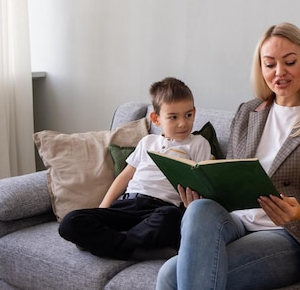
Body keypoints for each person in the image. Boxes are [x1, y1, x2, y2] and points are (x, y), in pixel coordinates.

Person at [156, 22, 300, 290]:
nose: (279, 72)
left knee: (170, 277)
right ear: (260, 68)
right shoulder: (248, 112)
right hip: (237, 220)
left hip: (288, 234)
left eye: (290, 62)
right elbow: (230, 179)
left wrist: (297, 211)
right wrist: (204, 193)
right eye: (270, 64)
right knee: (200, 209)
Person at [58, 77, 212, 260]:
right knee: (70, 222)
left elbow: (201, 180)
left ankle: (109, 244)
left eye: (188, 115)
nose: (182, 123)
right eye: (173, 117)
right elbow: (124, 177)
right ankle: (134, 248)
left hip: (160, 209)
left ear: (194, 112)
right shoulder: (147, 141)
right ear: (156, 119)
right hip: (126, 205)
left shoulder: (198, 144)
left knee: (170, 217)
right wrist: (103, 209)